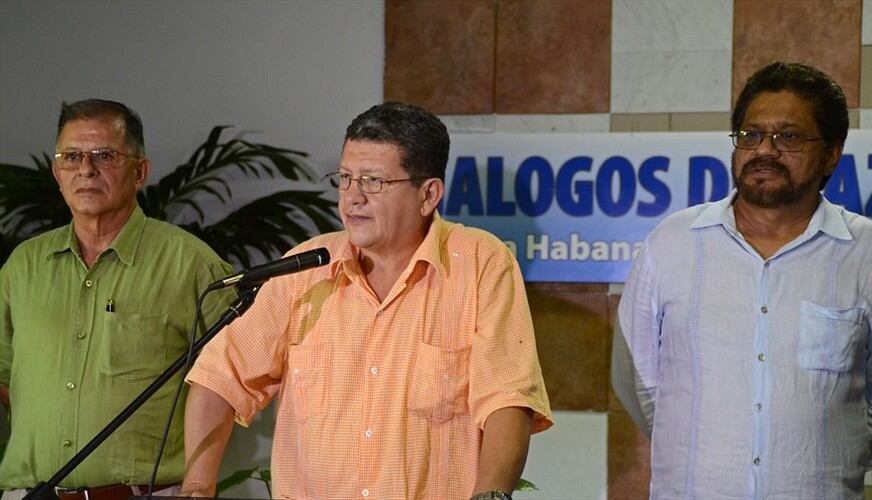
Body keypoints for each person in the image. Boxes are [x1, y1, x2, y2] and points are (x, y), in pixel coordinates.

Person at [182, 102, 553, 500]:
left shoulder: (481, 263)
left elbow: (507, 400)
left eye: (373, 182)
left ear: (428, 194)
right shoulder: (303, 270)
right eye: (344, 178)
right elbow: (218, 379)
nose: (351, 198)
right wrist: (197, 488)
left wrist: (491, 495)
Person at [612, 61, 872, 499]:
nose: (765, 150)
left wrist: (829, 452)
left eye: (789, 137)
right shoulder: (672, 243)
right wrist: (700, 446)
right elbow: (638, 380)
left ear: (832, 152)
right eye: (751, 135)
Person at [0, 99, 236, 500]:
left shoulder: (190, 263)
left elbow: (232, 380)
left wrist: (199, 485)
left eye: (104, 156)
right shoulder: (24, 266)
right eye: (71, 157)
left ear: (140, 171)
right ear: (58, 173)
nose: (86, 170)